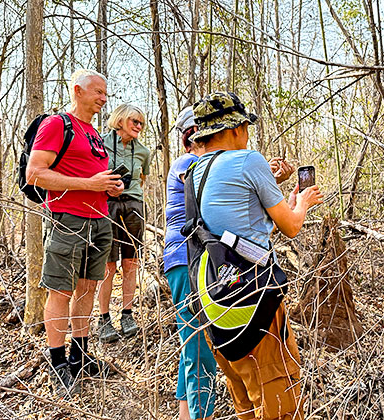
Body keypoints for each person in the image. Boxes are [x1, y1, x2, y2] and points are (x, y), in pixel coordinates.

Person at [188, 92, 323, 420]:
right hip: (254, 298)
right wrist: (302, 203)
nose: (247, 133)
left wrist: (280, 198)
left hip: (214, 301)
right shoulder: (249, 160)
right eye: (245, 126)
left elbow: (240, 231)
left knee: (246, 401)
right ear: (235, 129)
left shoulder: (196, 171)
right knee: (279, 399)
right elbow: (290, 227)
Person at [26, 69, 124, 398]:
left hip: (100, 220)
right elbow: (36, 174)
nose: (104, 98)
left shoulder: (94, 133)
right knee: (61, 293)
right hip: (66, 219)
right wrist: (89, 184)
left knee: (87, 289)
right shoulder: (56, 125)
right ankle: (57, 363)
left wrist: (110, 186)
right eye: (98, 92)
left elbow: (94, 176)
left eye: (105, 93)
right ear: (78, 91)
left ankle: (79, 356)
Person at [164, 106, 217, 420]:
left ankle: (185, 415)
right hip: (186, 259)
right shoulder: (188, 163)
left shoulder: (196, 163)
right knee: (199, 348)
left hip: (190, 260)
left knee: (192, 343)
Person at [97, 104, 151, 343]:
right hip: (106, 204)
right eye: (134, 121)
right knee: (108, 265)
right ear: (120, 120)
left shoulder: (143, 151)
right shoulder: (100, 142)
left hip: (134, 205)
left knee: (131, 262)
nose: (138, 126)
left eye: (141, 123)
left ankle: (127, 314)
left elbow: (142, 179)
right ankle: (104, 318)